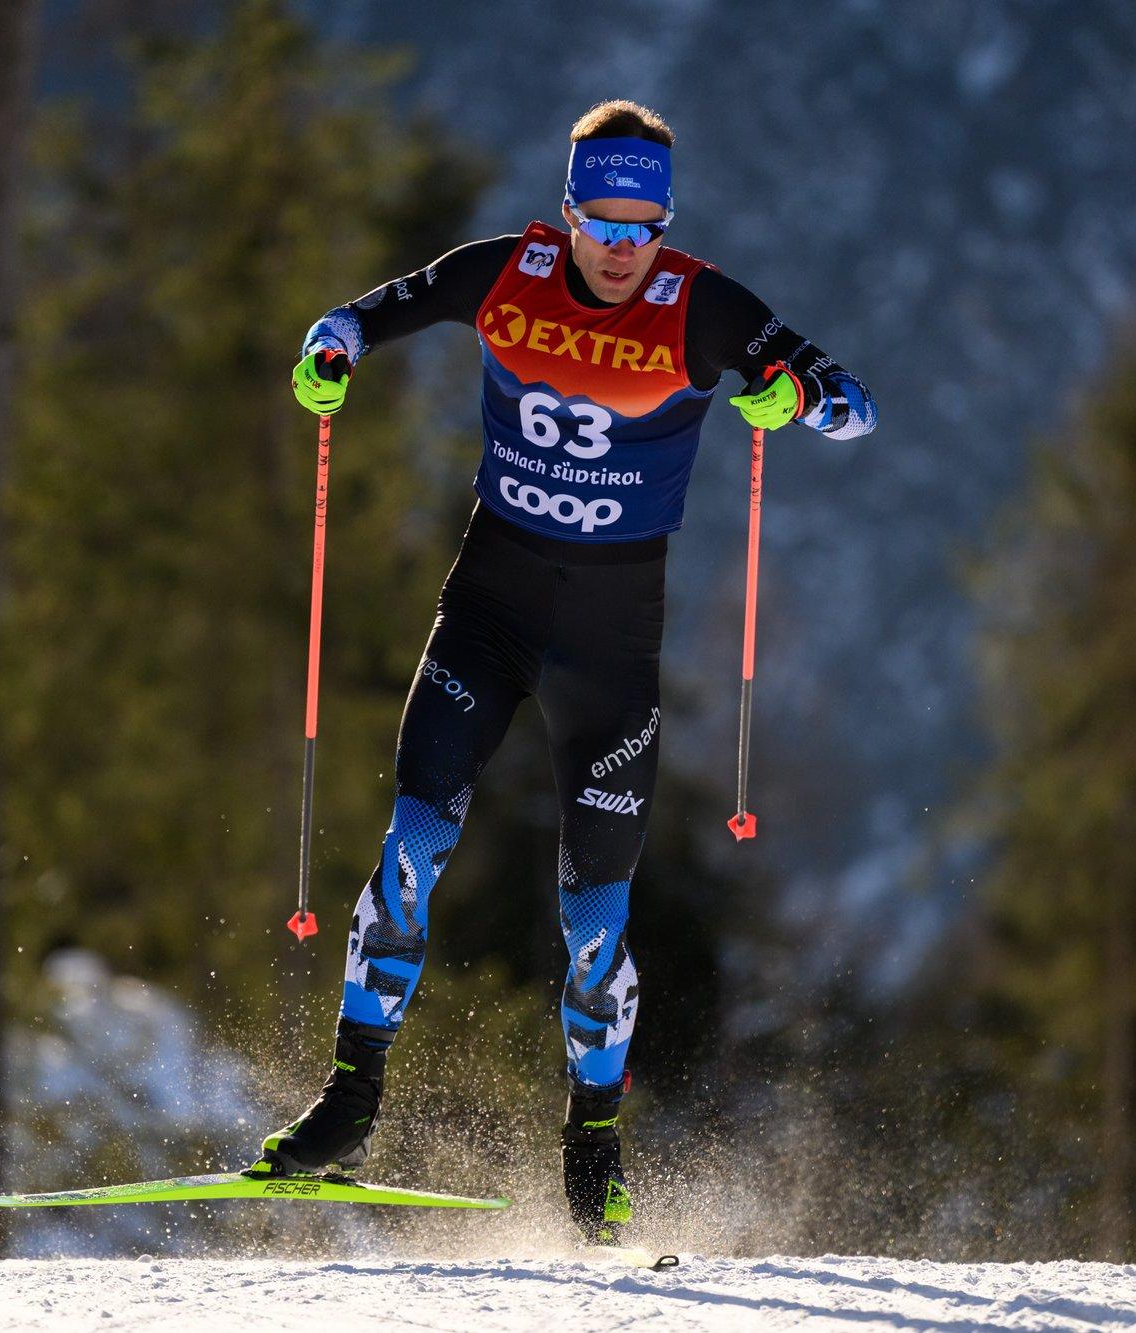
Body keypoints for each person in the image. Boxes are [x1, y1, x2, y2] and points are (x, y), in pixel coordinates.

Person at [249, 99, 876, 1245]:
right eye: (603, 217)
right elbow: (357, 316)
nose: (623, 245)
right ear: (570, 207)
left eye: (646, 221)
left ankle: (592, 1140)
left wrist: (795, 398)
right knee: (414, 840)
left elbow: (854, 406)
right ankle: (348, 1102)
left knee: (593, 909)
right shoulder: (504, 273)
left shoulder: (702, 304)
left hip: (610, 644)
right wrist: (327, 349)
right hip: (488, 608)